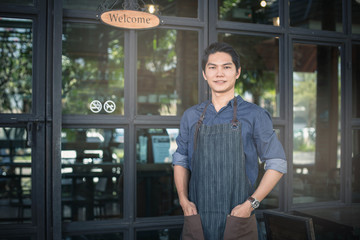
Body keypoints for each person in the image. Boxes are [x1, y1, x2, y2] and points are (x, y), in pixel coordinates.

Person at [172, 42, 287, 240]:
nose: (219, 74)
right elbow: (180, 160)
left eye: (226, 67)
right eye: (212, 67)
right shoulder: (191, 116)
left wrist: (251, 204)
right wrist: (183, 200)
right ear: (204, 73)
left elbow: (277, 164)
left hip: (238, 217)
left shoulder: (255, 115)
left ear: (237, 72)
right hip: (198, 217)